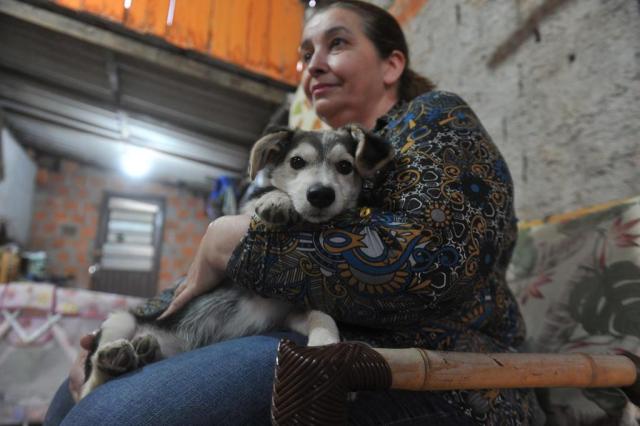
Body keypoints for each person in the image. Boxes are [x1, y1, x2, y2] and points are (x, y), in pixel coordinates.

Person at [45, 1, 540, 424]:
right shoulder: (304, 172)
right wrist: (143, 320)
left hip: (438, 373)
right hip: (309, 340)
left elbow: (430, 260)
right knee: (66, 399)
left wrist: (235, 239)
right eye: (306, 54)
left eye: (337, 44)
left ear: (391, 66)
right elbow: (214, 280)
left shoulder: (436, 119)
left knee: (105, 417)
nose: (313, 65)